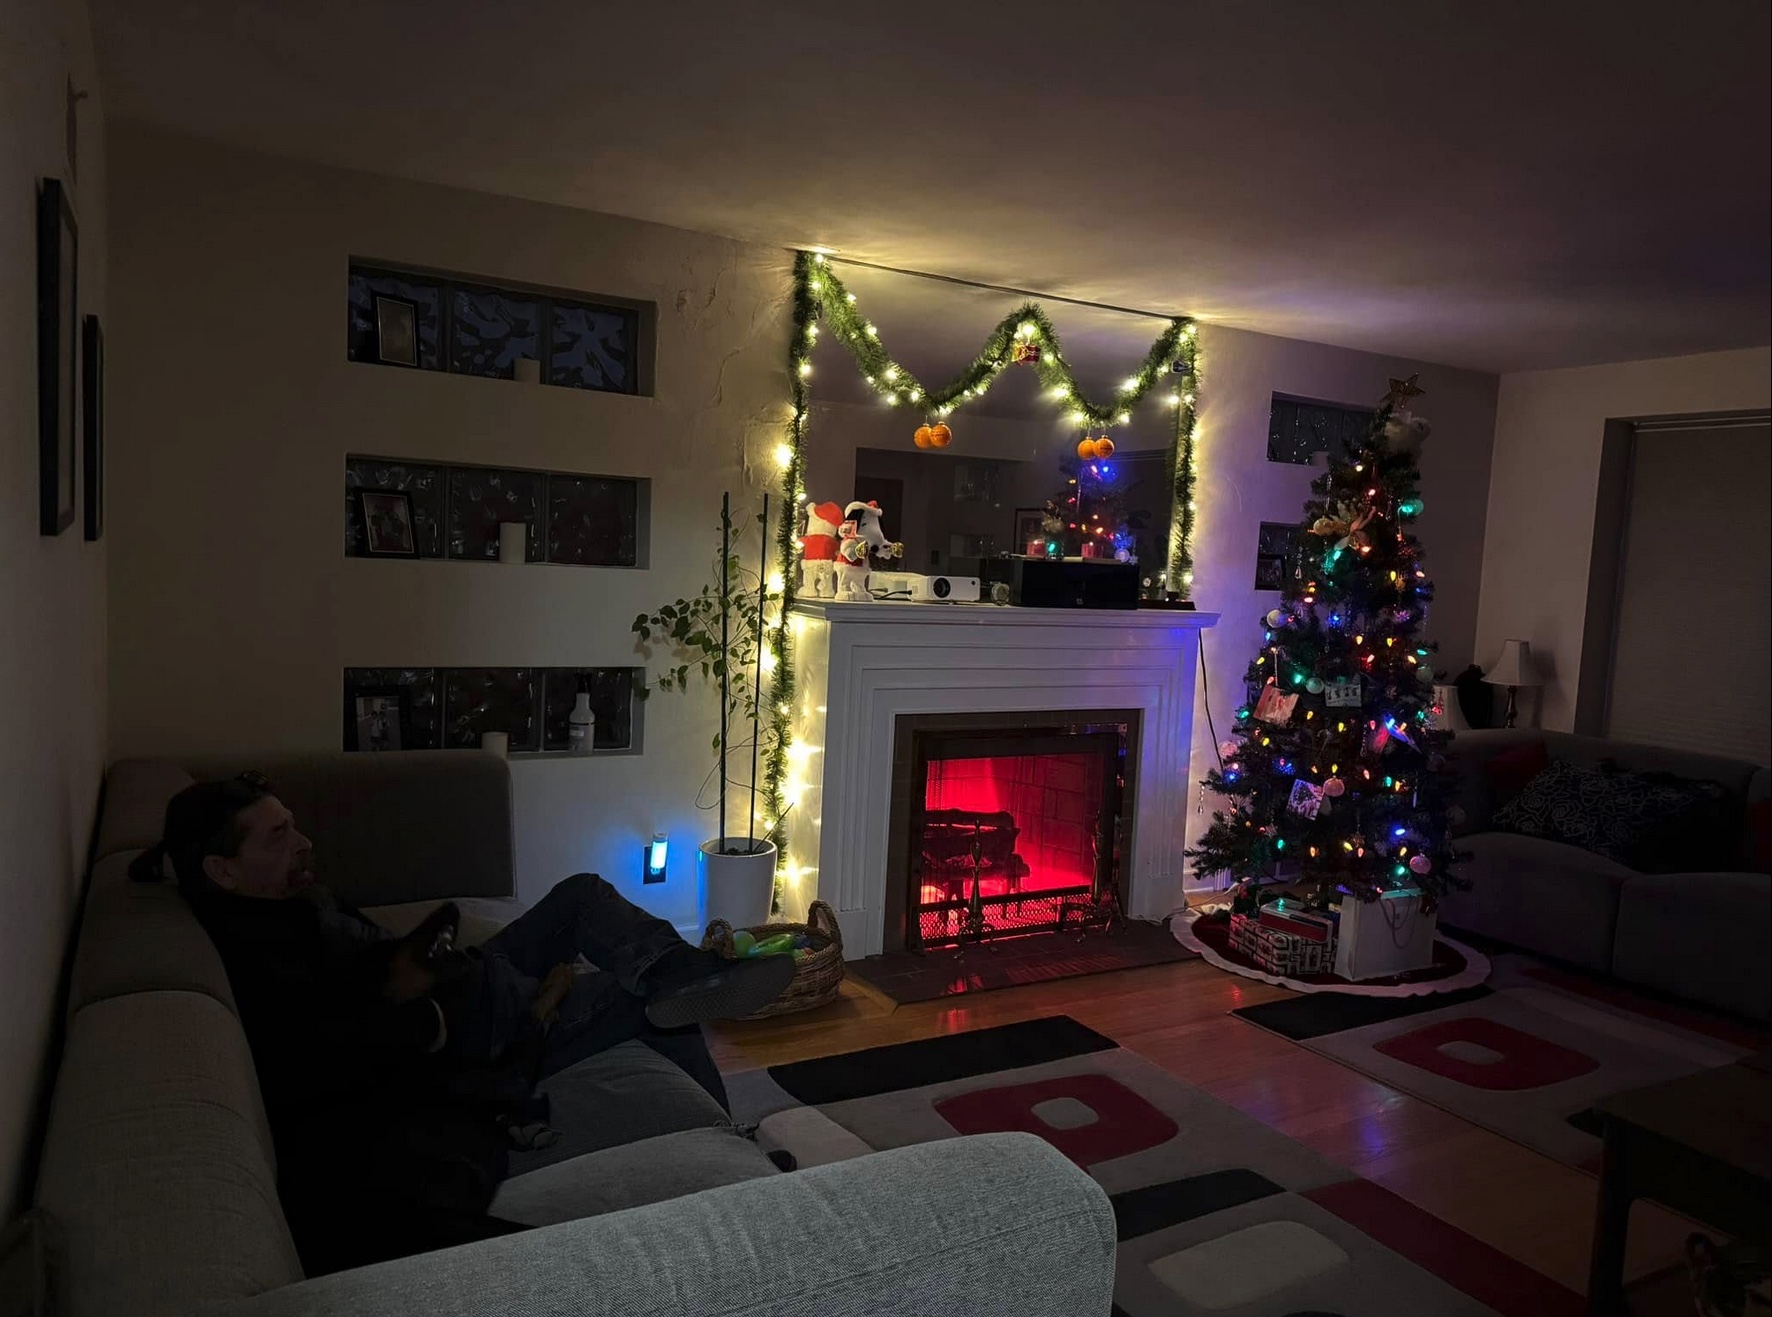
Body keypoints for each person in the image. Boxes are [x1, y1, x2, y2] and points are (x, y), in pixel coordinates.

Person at [129, 771, 795, 1273]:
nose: (305, 843)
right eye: (279, 836)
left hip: (477, 979)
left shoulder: (243, 896)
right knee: (647, 1004)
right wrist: (465, 1013)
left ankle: (680, 972)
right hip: (493, 1029)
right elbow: (348, 1043)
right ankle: (712, 1069)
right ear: (223, 868)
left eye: (293, 824)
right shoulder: (267, 958)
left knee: (582, 896)